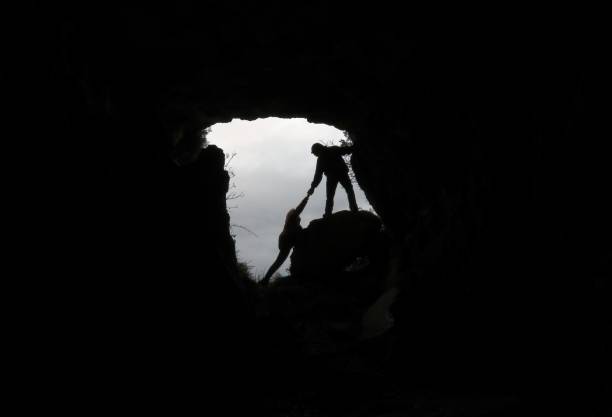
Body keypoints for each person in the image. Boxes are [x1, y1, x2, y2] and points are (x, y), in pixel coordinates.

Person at [261, 195, 310, 285]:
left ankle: (266, 279)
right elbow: (299, 209)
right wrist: (306, 199)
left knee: (278, 261)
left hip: (285, 239)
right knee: (279, 261)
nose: (299, 219)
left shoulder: (294, 225)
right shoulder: (292, 219)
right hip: (287, 240)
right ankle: (266, 279)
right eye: (298, 218)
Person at [308, 143, 359, 217]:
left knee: (330, 196)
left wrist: (313, 187)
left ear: (317, 150)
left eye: (314, 153)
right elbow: (345, 150)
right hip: (341, 173)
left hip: (333, 176)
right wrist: (354, 147)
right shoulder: (333, 149)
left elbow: (318, 175)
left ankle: (328, 213)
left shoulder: (321, 159)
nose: (315, 155)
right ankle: (354, 209)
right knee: (349, 190)